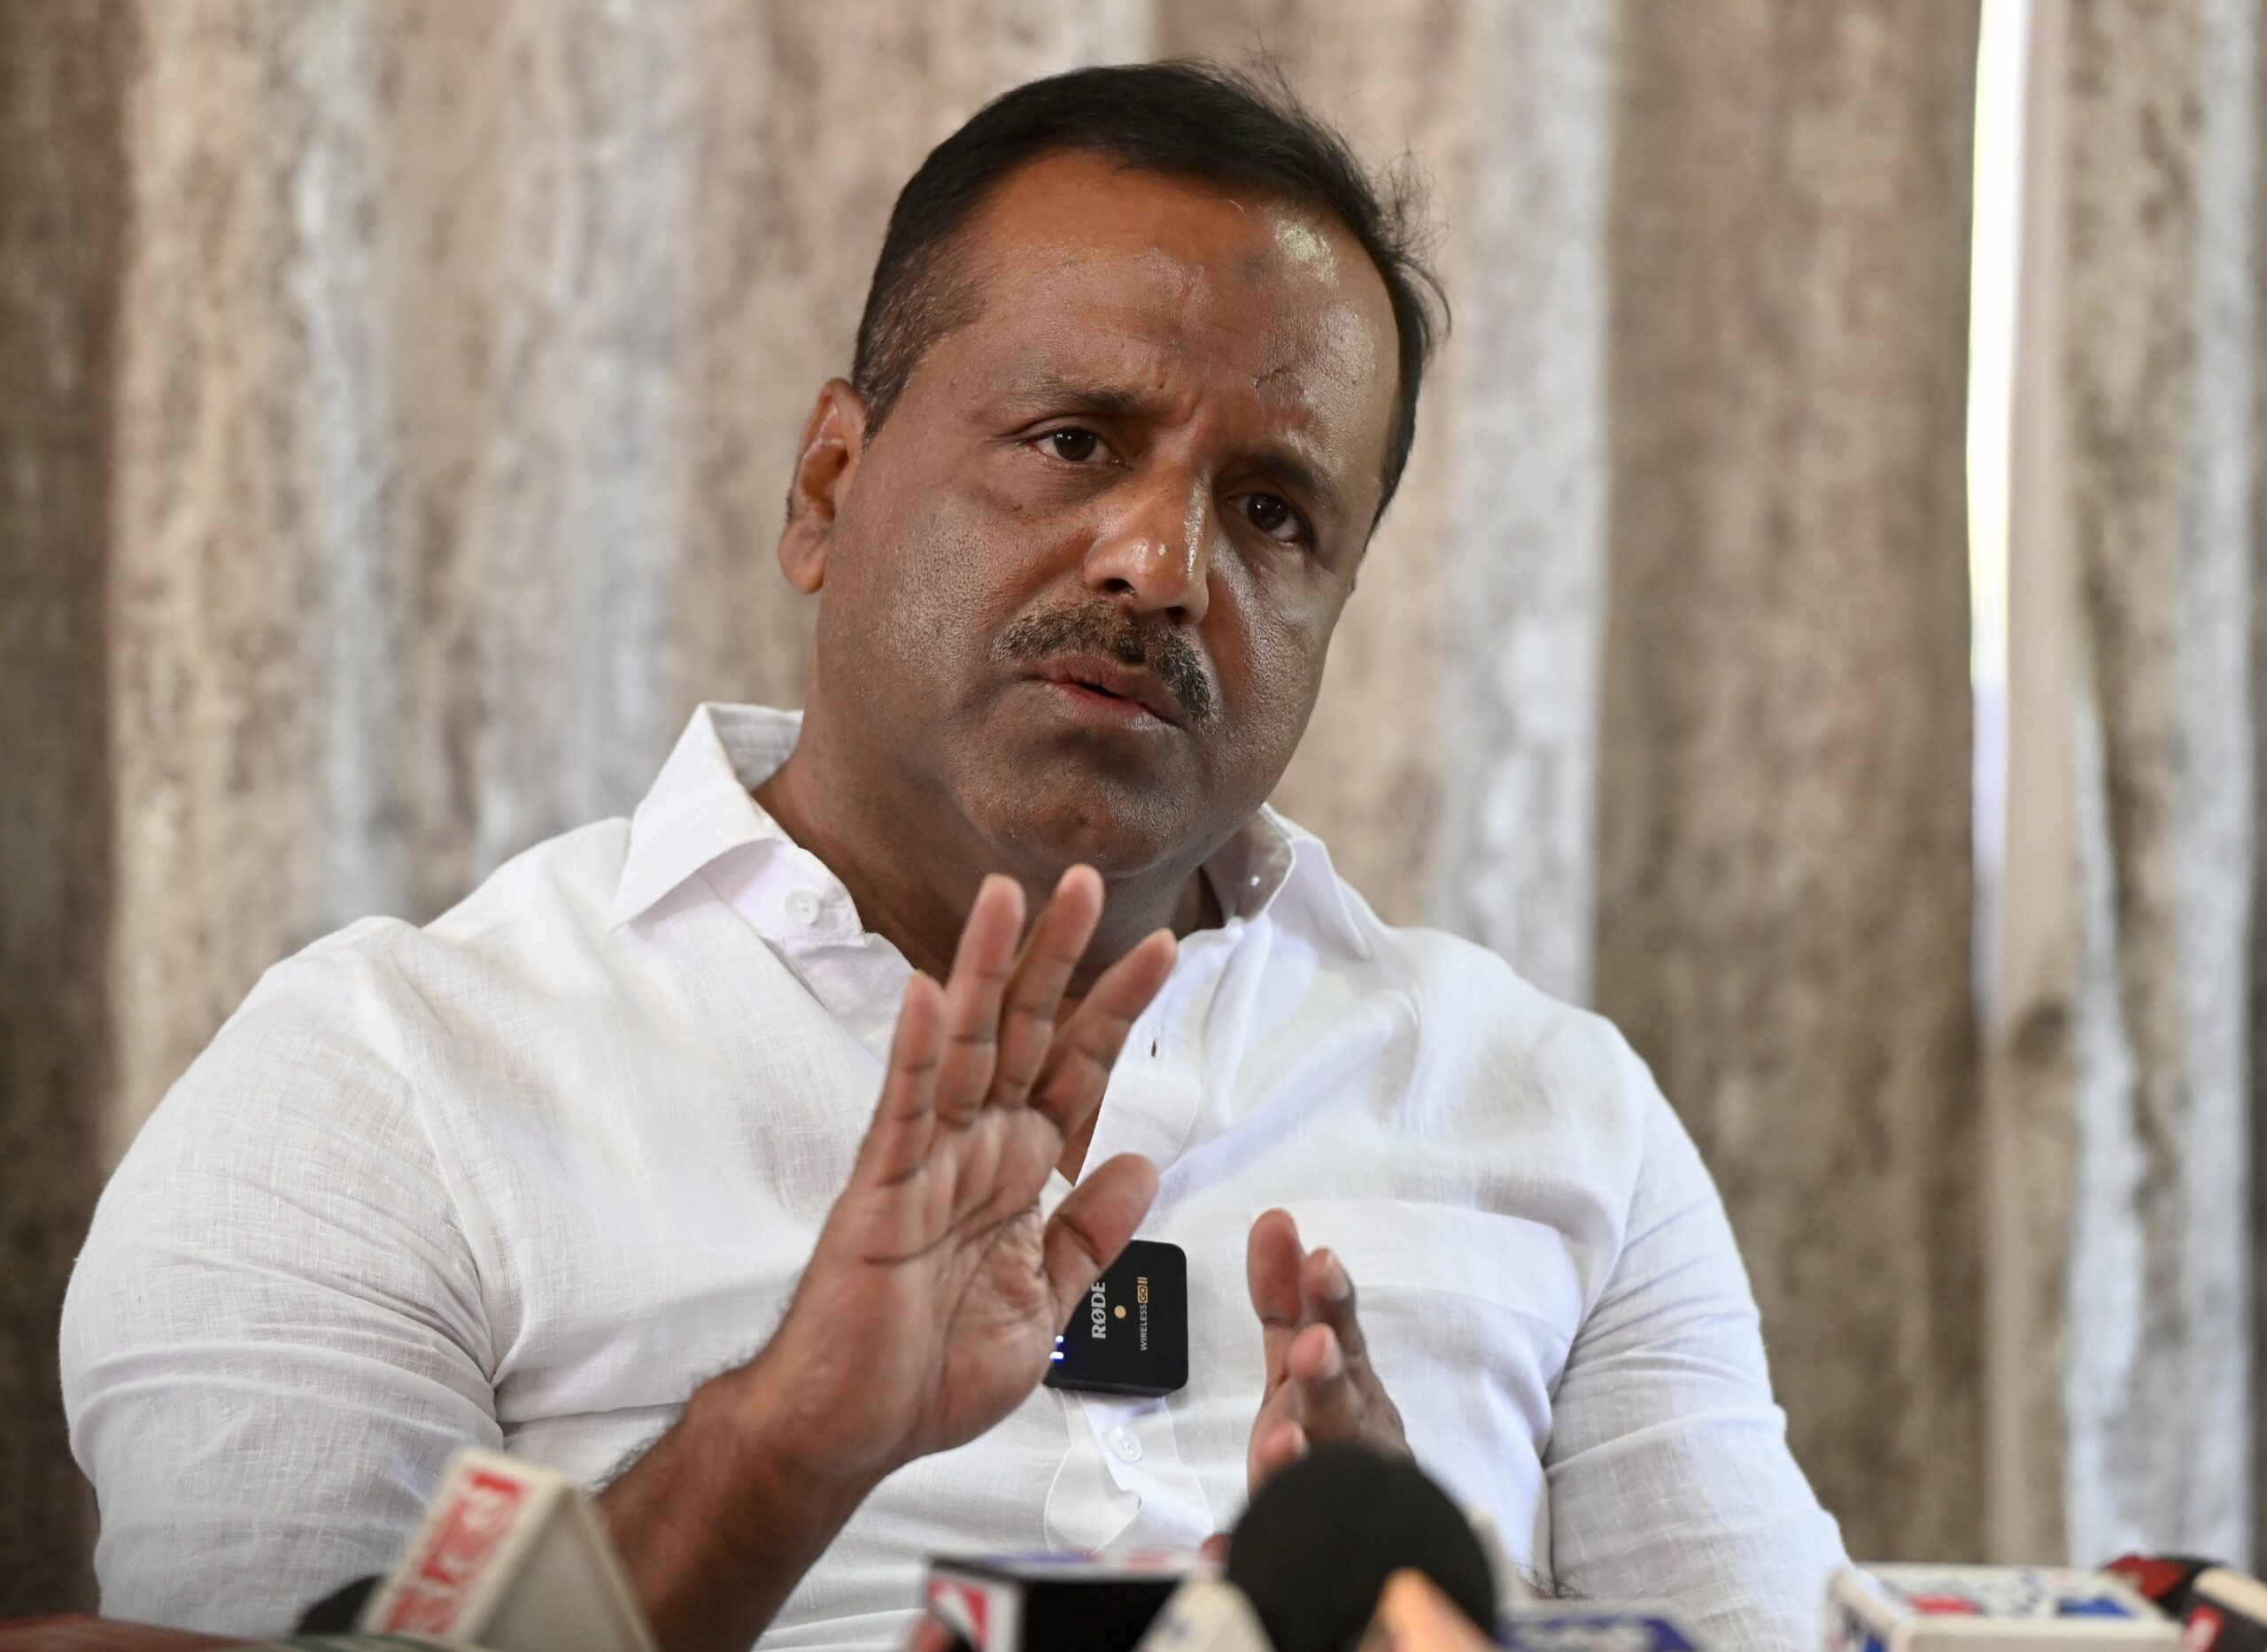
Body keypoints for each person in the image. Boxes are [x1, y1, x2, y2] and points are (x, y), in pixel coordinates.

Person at [60, 60, 1845, 1652]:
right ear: (825, 486)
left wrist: (1449, 1617)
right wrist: (782, 1446)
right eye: (1073, 441)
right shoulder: (380, 1084)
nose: (1163, 565)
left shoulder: (1554, 1113)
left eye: (1271, 512)